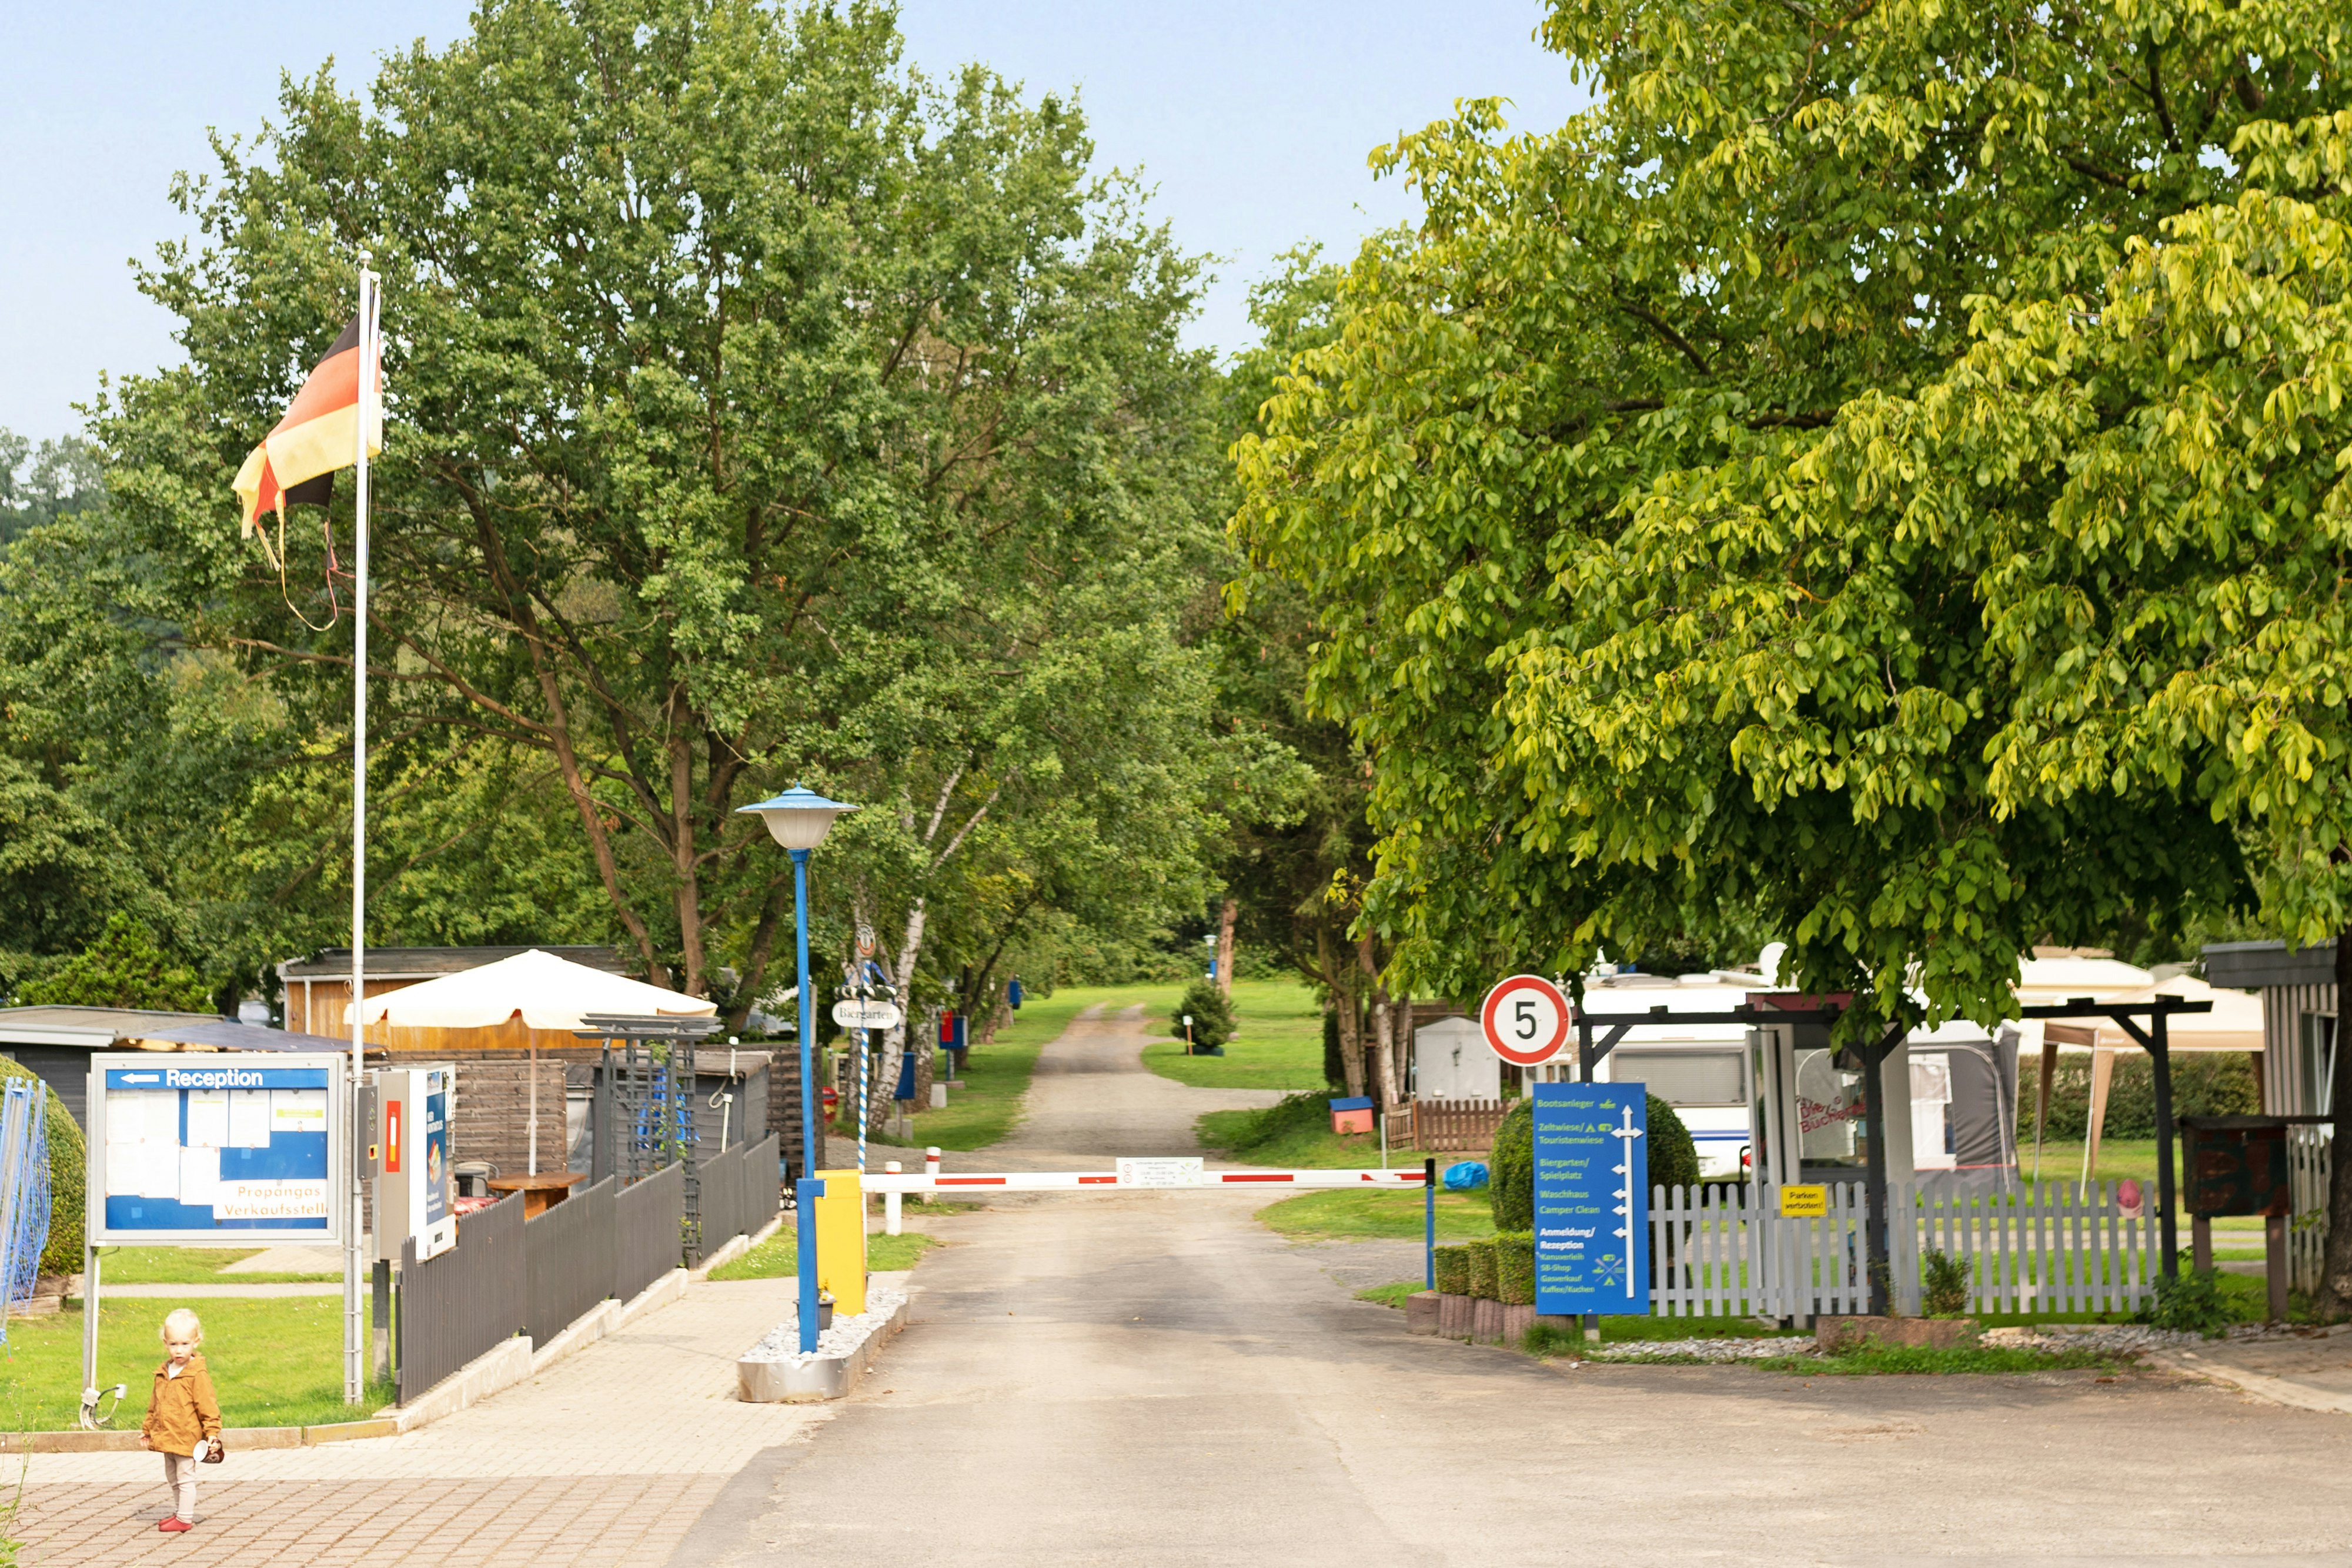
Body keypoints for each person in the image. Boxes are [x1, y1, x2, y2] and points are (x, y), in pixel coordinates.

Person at [138, 1307, 223, 1533]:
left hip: (187, 1437)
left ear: (196, 1341)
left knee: (185, 1477)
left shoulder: (197, 1374)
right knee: (172, 1477)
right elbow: (155, 1404)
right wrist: (148, 1429)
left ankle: (185, 1519)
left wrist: (212, 1432)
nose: (179, 1350)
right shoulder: (164, 1372)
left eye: (185, 1344)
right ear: (165, 1343)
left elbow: (208, 1406)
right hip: (167, 1436)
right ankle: (179, 1513)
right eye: (173, 1344)